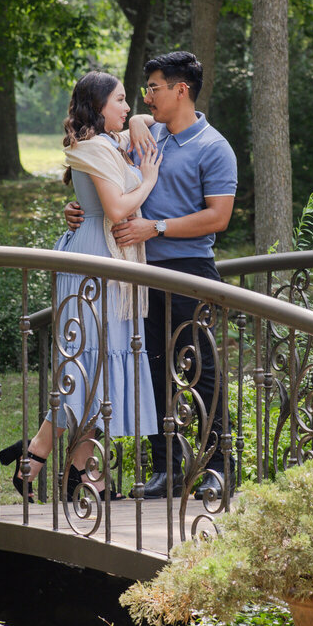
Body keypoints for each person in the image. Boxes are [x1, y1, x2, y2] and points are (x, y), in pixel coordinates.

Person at [63, 51, 236, 499]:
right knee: (152, 370)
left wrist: (154, 227)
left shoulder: (214, 148)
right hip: (138, 274)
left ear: (182, 89)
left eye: (154, 87)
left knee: (202, 371)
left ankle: (217, 469)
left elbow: (218, 218)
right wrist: (82, 210)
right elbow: (107, 166)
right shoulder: (147, 133)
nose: (146, 96)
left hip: (190, 271)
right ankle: (168, 470)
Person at [0, 71, 162, 501]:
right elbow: (114, 209)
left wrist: (139, 122)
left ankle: (77, 474)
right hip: (95, 261)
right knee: (84, 370)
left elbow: (138, 128)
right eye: (121, 100)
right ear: (98, 104)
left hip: (110, 260)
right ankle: (41, 456)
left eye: (129, 101)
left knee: (99, 372)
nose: (128, 108)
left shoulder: (108, 142)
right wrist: (147, 180)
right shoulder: (93, 147)